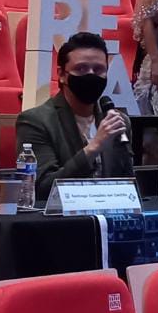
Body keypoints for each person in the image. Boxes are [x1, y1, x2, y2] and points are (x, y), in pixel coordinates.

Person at [15, 31, 134, 201]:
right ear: (62, 75)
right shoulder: (36, 121)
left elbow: (128, 184)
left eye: (99, 69)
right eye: (81, 69)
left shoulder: (118, 122)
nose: (91, 75)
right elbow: (41, 188)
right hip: (62, 215)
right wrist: (94, 147)